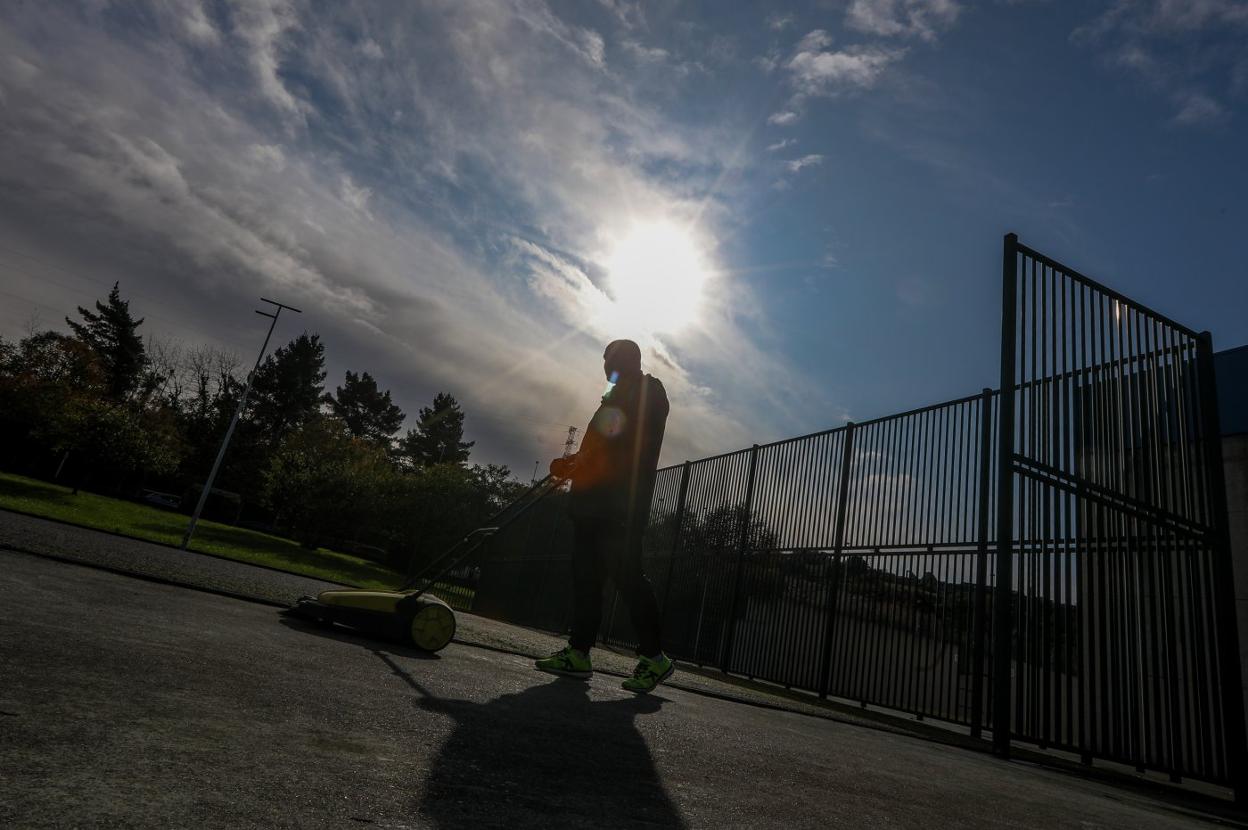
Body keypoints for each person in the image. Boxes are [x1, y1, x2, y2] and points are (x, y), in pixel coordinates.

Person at [535, 339, 674, 694]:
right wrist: (573, 465)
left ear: (627, 360)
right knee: (586, 578)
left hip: (620, 507)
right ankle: (579, 652)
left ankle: (655, 658)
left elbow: (629, 441)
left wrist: (587, 460)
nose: (605, 366)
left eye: (609, 359)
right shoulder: (612, 399)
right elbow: (597, 449)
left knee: (628, 578)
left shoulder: (648, 392)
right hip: (591, 505)